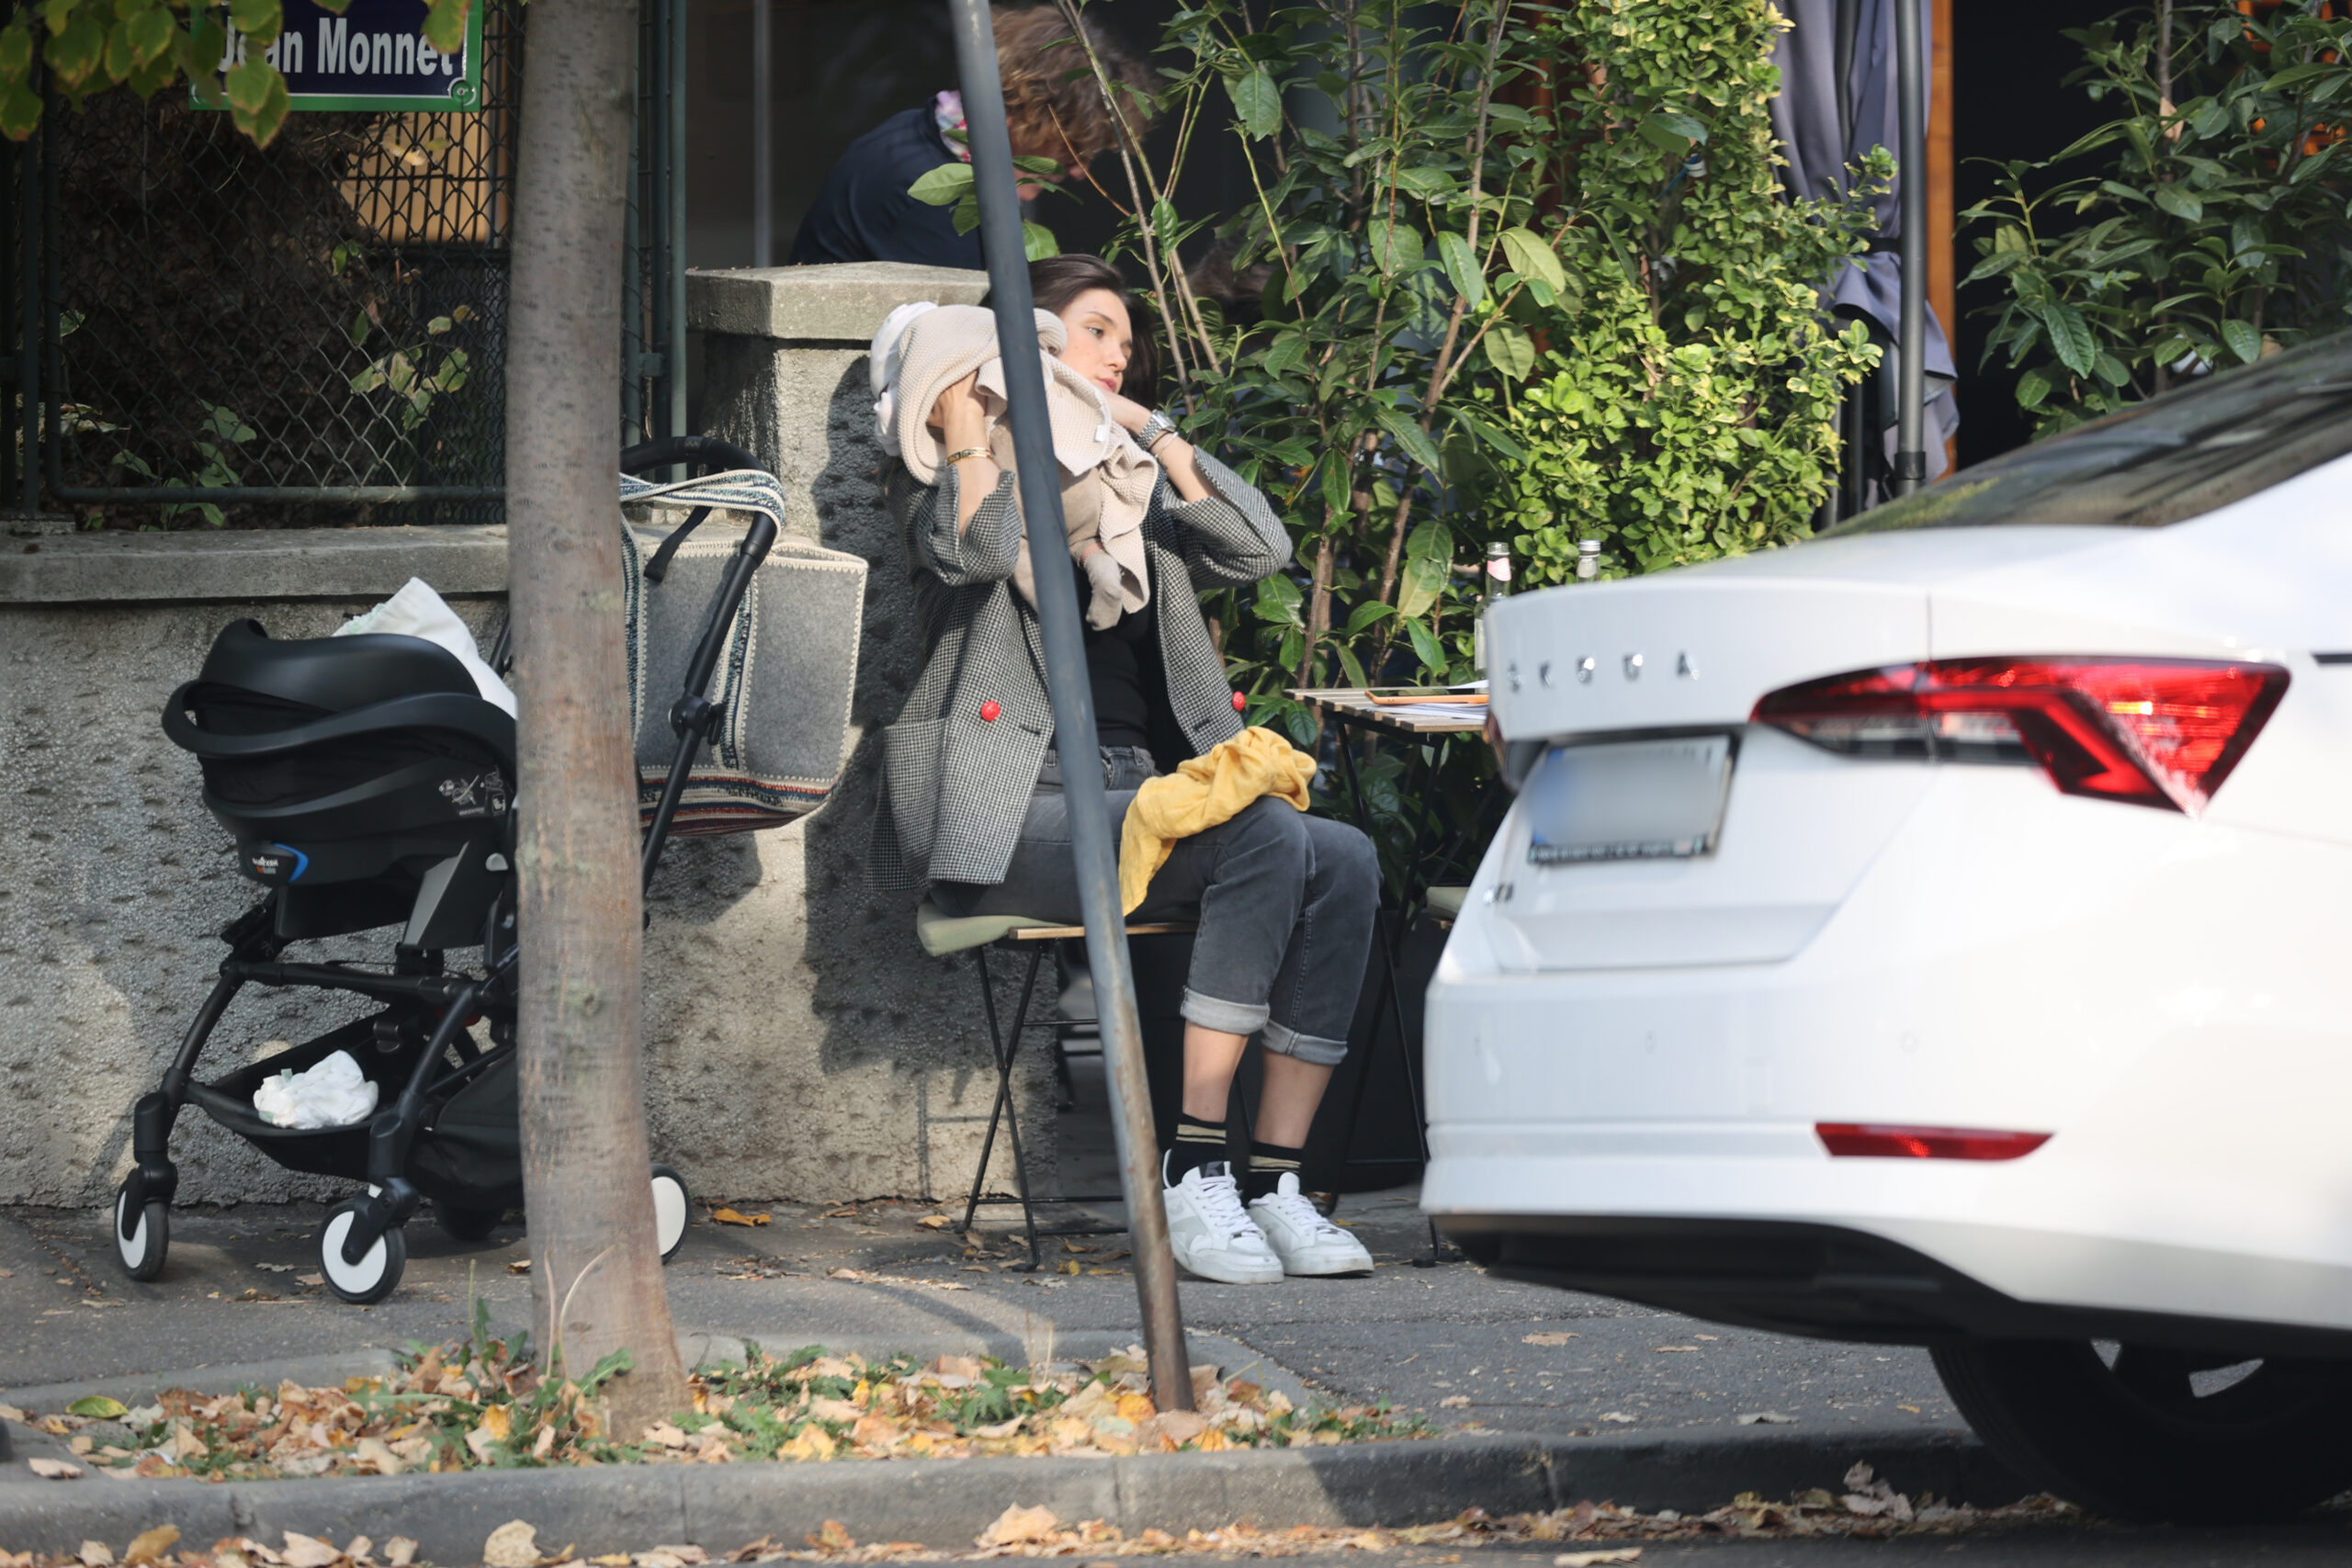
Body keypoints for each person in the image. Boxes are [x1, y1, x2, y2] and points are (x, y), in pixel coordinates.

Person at [872, 254, 1382, 1285]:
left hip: (1137, 791)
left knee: (1344, 856)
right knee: (1261, 834)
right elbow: (977, 555)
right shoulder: (949, 479)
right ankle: (1193, 1166)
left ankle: (1276, 1182)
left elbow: (1260, 548)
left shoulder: (1125, 496)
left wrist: (1149, 428)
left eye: (1126, 337)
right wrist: (973, 426)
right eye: (1096, 330)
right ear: (1031, 344)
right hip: (1021, 809)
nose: (1119, 351)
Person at [789, 7, 1152, 270]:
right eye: (1073, 149)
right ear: (1024, 112)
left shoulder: (921, 136)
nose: (1078, 171)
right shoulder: (927, 193)